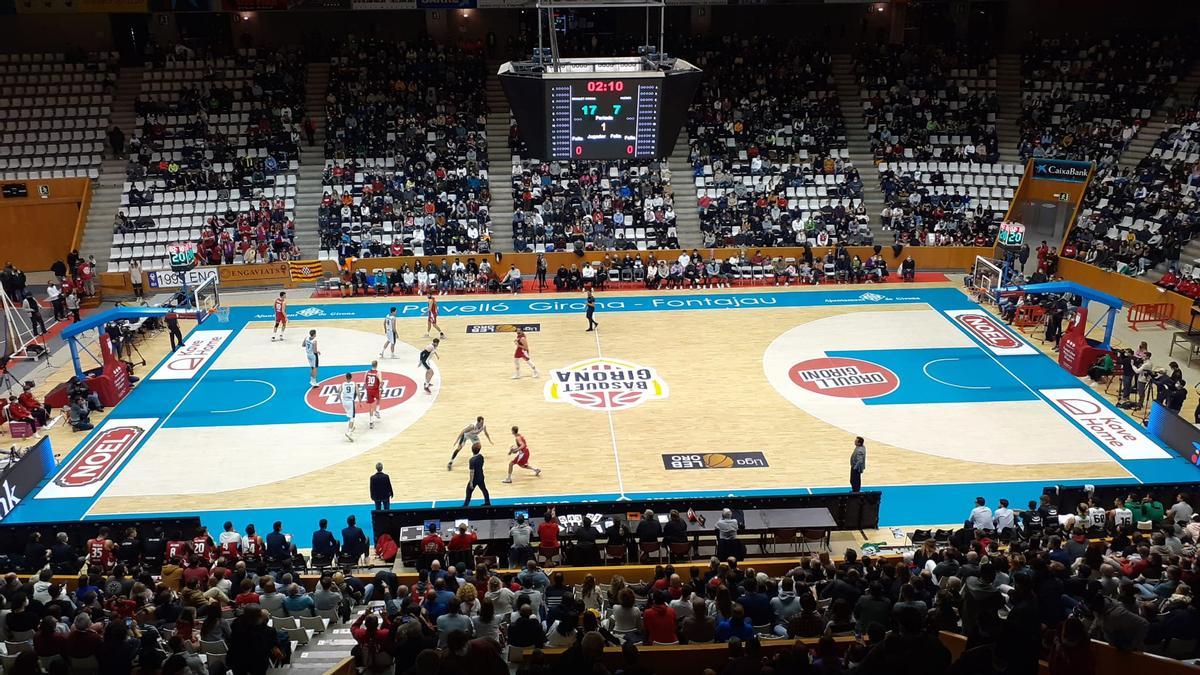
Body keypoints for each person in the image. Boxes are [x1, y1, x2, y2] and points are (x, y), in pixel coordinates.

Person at [363, 361, 382, 428]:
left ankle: (371, 422)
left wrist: (367, 389)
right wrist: (381, 387)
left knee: (371, 407)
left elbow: (364, 382)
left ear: (371, 365)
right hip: (375, 389)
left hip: (369, 390)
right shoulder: (378, 372)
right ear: (377, 365)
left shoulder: (367, 372)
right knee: (379, 398)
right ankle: (377, 410)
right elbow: (381, 381)